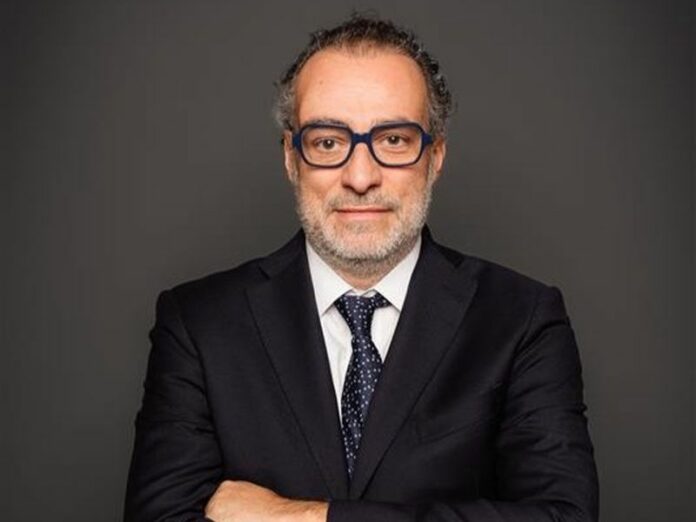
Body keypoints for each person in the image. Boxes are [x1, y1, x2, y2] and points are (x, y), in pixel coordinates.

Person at [124, 14, 599, 522]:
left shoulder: (521, 320)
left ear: (436, 155)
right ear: (290, 157)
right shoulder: (199, 325)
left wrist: (306, 517)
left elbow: (563, 517)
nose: (360, 176)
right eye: (328, 142)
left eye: (393, 140)